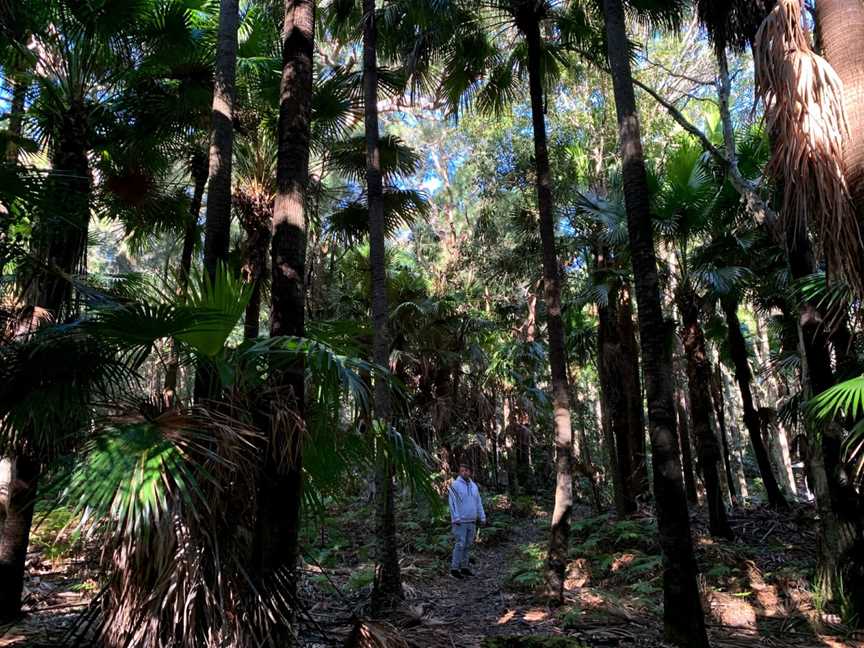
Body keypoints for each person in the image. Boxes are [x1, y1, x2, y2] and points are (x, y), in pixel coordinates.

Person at [448, 463, 486, 578]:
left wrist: (482, 516)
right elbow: (452, 502)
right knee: (460, 544)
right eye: (462, 470)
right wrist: (455, 517)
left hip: (472, 520)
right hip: (460, 521)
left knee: (468, 545)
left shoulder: (474, 486)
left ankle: (464, 567)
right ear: (460, 472)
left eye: (467, 470)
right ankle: (454, 569)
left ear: (470, 472)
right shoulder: (455, 485)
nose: (465, 472)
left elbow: (478, 502)